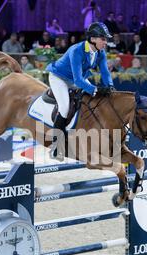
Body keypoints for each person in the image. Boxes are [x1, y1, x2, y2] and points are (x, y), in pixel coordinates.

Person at [46, 22, 115, 160]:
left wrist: (110, 86)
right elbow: (77, 81)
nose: (106, 42)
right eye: (103, 38)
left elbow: (105, 72)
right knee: (65, 108)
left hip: (78, 79)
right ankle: (56, 144)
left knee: (93, 100)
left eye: (106, 39)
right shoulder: (76, 50)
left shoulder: (100, 52)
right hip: (59, 77)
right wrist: (95, 89)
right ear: (93, 39)